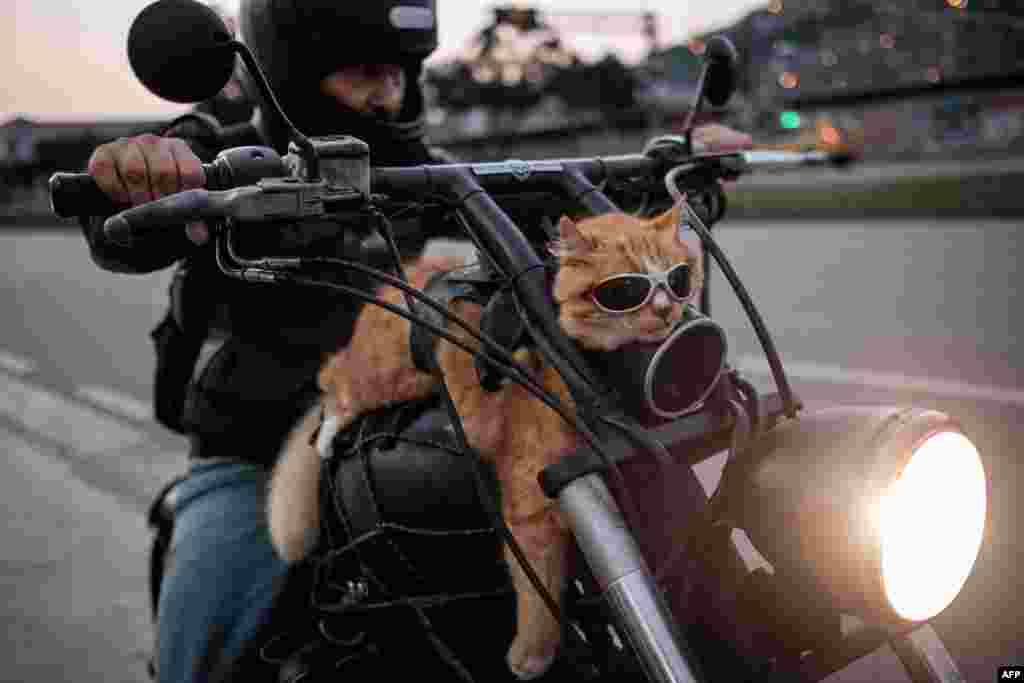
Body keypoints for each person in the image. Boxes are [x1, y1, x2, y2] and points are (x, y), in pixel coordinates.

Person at [82, 0, 754, 680]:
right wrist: (143, 169)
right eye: (365, 74)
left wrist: (672, 180)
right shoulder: (224, 155)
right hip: (259, 449)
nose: (389, 92)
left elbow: (569, 230)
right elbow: (129, 210)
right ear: (291, 71)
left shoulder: (429, 172)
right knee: (203, 626)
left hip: (419, 428)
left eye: (401, 71)